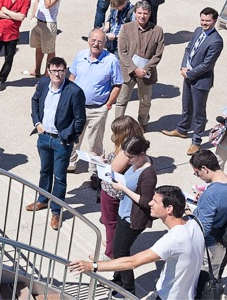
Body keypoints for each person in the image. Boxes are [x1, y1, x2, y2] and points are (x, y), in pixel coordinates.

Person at [70, 185, 205, 300]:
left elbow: (133, 262)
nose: (150, 203)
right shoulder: (195, 222)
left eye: (155, 201)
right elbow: (188, 211)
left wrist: (93, 266)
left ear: (169, 209)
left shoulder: (173, 239)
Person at [28, 57, 86, 231]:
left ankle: (56, 211)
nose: (57, 74)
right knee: (45, 171)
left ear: (65, 71)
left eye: (60, 71)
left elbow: (79, 119)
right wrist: (37, 123)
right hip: (44, 137)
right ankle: (42, 200)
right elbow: (35, 101)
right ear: (48, 71)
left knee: (59, 176)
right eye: (53, 70)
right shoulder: (44, 83)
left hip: (61, 141)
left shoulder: (74, 91)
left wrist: (67, 136)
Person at [163, 7, 224, 155]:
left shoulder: (216, 41)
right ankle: (182, 129)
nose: (204, 23)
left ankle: (196, 141)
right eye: (202, 20)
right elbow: (188, 49)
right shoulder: (198, 31)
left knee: (199, 111)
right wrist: (184, 67)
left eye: (207, 21)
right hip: (188, 75)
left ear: (214, 21)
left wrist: (190, 74)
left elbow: (207, 64)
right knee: (186, 105)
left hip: (200, 81)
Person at [67, 28, 123, 186]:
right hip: (76, 107)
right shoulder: (80, 55)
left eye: (100, 41)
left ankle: (94, 173)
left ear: (105, 44)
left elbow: (118, 84)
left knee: (95, 144)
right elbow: (72, 76)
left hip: (98, 109)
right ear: (88, 40)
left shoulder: (111, 60)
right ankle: (70, 163)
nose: (96, 44)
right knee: (73, 137)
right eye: (93, 40)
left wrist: (108, 104)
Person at [107, 136, 156, 296]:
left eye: (130, 157)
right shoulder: (135, 164)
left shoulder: (148, 174)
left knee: (122, 252)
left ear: (142, 154)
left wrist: (123, 189)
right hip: (123, 212)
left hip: (133, 219)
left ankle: (128, 289)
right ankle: (117, 278)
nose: (127, 160)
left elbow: (145, 201)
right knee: (117, 248)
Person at [190, 149, 227, 295]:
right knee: (216, 275)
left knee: (203, 284)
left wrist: (188, 213)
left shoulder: (211, 194)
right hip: (223, 241)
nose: (197, 176)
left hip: (209, 246)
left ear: (205, 168)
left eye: (197, 172)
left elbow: (203, 228)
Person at [115, 0, 165, 129]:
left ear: (149, 14)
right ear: (135, 13)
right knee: (121, 101)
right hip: (128, 71)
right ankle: (118, 127)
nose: (142, 16)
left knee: (145, 101)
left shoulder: (158, 30)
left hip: (146, 73)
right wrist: (134, 69)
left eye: (145, 13)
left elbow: (158, 54)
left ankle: (143, 123)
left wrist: (145, 69)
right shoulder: (126, 28)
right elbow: (122, 52)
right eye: (139, 13)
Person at [100, 116, 145, 259]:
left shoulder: (125, 152)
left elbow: (113, 170)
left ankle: (110, 253)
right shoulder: (136, 145)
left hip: (112, 193)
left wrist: (102, 163)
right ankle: (111, 243)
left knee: (110, 222)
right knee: (114, 222)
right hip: (121, 193)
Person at [25, 0, 65, 78]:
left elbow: (48, 4)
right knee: (38, 47)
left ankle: (47, 74)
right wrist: (33, 16)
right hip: (38, 19)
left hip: (49, 22)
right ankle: (36, 70)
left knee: (50, 50)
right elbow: (38, 0)